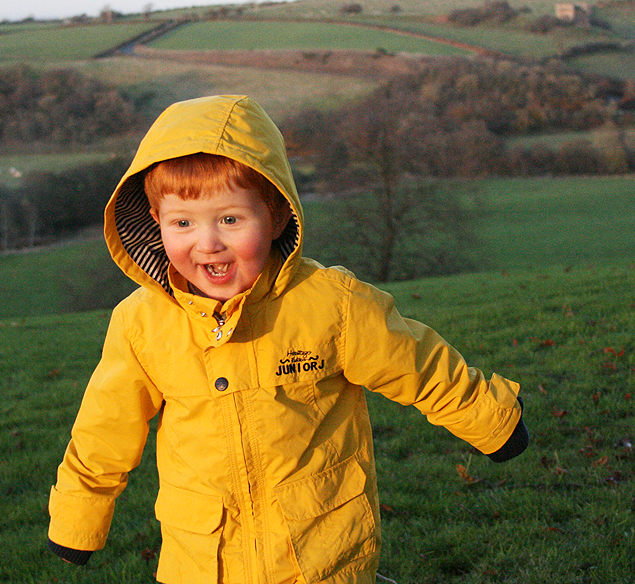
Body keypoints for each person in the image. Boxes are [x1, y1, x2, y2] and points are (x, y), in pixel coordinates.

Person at [47, 94, 529, 584]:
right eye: (183, 223)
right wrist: (76, 520)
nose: (207, 242)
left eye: (230, 219)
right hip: (202, 562)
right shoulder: (141, 323)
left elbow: (415, 363)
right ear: (155, 222)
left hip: (320, 553)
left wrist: (492, 421)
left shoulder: (329, 303)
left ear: (276, 215)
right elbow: (104, 430)